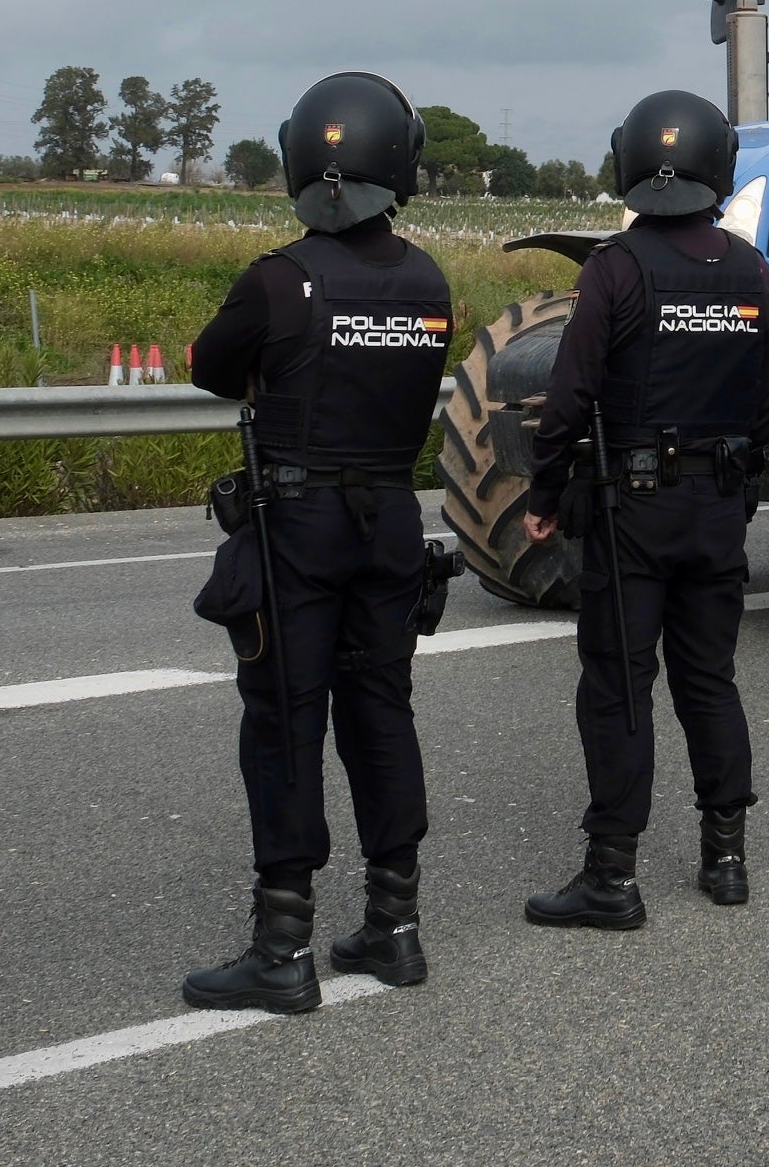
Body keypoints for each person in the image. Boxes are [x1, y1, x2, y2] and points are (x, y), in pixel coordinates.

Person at [183, 73, 453, 1011]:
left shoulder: (277, 280)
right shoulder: (428, 280)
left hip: (296, 525)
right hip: (388, 522)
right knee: (381, 714)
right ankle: (396, 926)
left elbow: (207, 368)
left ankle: (283, 946)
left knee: (287, 722)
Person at [520, 90, 769, 927]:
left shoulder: (615, 267)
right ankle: (727, 857)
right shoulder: (753, 271)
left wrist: (545, 492)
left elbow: (568, 398)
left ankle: (612, 877)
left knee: (620, 688)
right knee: (710, 681)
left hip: (631, 508)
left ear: (629, 163)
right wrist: (736, 488)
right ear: (721, 165)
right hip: (716, 509)